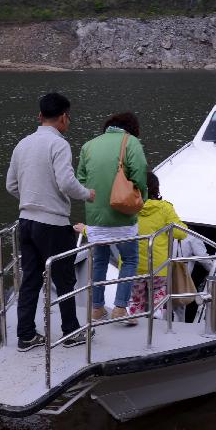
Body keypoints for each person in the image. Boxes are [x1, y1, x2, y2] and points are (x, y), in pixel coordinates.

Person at [6, 92, 96, 352]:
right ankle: (70, 333)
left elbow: (11, 185)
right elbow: (67, 183)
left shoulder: (22, 144)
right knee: (64, 280)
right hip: (53, 224)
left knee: (31, 280)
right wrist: (87, 194)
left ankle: (26, 336)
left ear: (39, 116)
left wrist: (30, 198)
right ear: (64, 117)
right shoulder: (59, 145)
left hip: (26, 221)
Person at [76, 112, 148, 323]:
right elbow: (140, 172)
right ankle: (120, 308)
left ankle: (97, 309)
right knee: (130, 259)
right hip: (123, 216)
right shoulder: (131, 142)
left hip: (96, 217)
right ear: (131, 128)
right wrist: (140, 196)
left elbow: (80, 179)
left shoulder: (88, 146)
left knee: (99, 261)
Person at [128, 172, 188, 318]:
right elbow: (181, 233)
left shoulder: (127, 207)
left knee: (136, 301)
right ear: (156, 188)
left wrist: (85, 230)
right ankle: (157, 315)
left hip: (134, 267)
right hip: (158, 267)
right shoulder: (165, 208)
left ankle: (135, 318)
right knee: (159, 291)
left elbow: (111, 229)